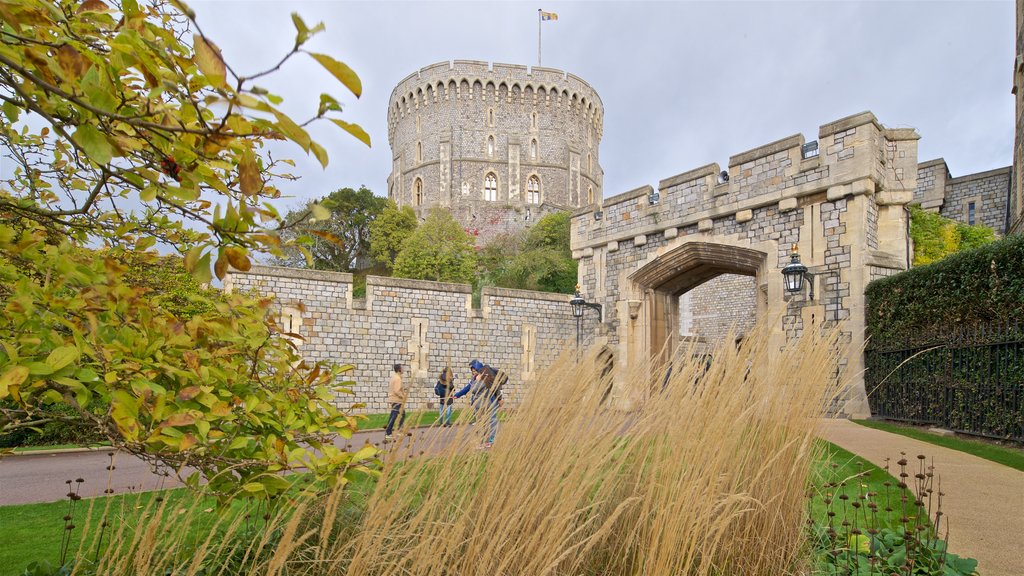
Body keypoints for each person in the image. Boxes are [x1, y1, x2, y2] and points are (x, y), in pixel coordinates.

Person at [453, 359, 505, 448]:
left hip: (490, 402)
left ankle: (491, 441)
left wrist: (499, 399)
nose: (473, 373)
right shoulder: (474, 379)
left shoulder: (485, 379)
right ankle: (484, 441)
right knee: (481, 423)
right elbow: (467, 388)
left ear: (479, 370)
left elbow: (475, 389)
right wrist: (457, 395)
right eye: (472, 371)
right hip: (480, 404)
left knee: (491, 421)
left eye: (474, 371)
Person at [384, 363, 406, 441]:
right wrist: (403, 397)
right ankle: (388, 433)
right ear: (399, 369)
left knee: (402, 414)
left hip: (395, 399)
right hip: (396, 400)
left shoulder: (395, 377)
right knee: (394, 416)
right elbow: (397, 390)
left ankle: (399, 431)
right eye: (402, 368)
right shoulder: (397, 378)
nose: (403, 369)